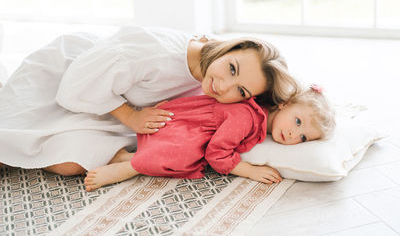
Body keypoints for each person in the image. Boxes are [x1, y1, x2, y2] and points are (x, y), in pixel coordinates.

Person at [0, 26, 298, 176]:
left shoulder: (215, 74)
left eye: (242, 91)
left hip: (106, 101)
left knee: (72, 162)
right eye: (232, 68)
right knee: (24, 145)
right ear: (232, 47)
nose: (224, 86)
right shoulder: (151, 55)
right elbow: (72, 88)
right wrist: (128, 115)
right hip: (66, 80)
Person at [84, 85, 336, 191]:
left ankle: (126, 155)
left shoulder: (258, 120)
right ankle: (131, 165)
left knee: (190, 152)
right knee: (186, 156)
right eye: (297, 121)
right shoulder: (246, 117)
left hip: (187, 128)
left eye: (302, 137)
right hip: (179, 126)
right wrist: (247, 170)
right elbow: (216, 154)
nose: (293, 134)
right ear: (284, 104)